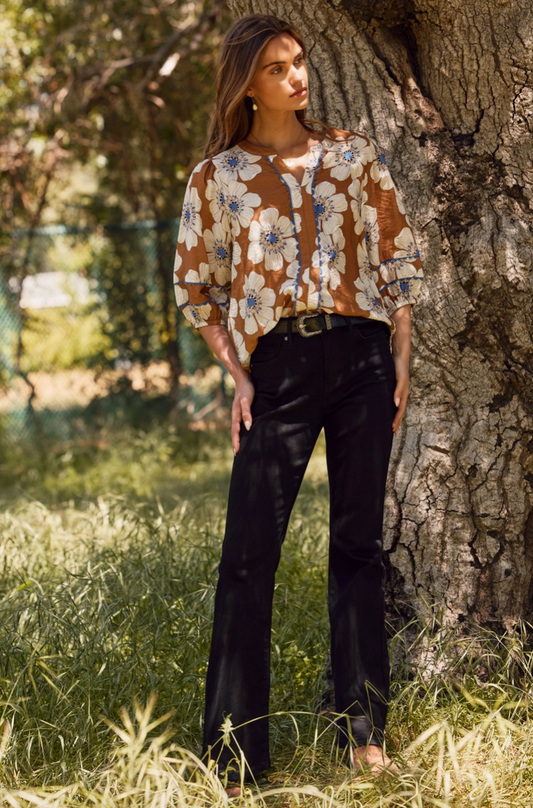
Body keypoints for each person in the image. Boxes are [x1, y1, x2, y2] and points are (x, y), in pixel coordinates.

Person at [173, 13, 424, 795]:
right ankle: (234, 751)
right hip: (276, 368)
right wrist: (239, 377)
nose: (296, 77)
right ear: (247, 82)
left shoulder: (350, 155)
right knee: (247, 558)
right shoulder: (215, 179)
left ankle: (363, 734)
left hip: (360, 358)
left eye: (299, 61)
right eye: (278, 67)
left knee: (356, 547)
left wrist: (401, 352)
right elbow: (197, 290)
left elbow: (398, 251)